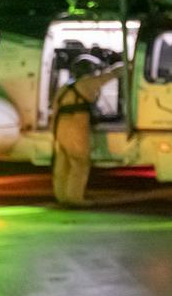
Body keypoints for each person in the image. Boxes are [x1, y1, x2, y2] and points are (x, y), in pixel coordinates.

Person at [51, 57, 124, 206]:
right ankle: (75, 198)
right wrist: (124, 66)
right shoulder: (87, 84)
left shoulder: (65, 87)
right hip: (75, 128)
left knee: (63, 163)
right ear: (90, 71)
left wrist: (54, 134)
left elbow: (55, 111)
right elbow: (108, 77)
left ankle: (62, 196)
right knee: (79, 163)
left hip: (60, 128)